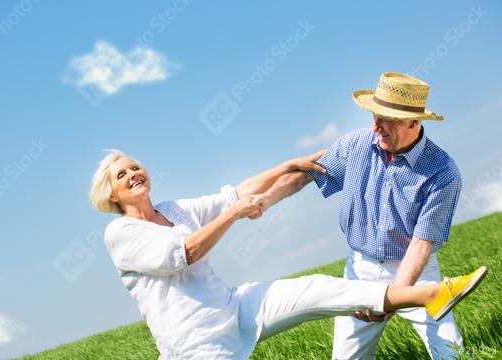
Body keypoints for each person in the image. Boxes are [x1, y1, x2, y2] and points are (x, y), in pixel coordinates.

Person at [89, 148, 486, 359]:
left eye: (135, 166)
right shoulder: (121, 233)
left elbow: (238, 193)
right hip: (198, 345)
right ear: (110, 194)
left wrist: (289, 165)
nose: (132, 174)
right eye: (121, 175)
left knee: (316, 289)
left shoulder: (173, 210)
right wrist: (232, 215)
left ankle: (432, 294)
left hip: (234, 307)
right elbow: (185, 252)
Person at [255, 72, 469, 359]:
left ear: (413, 122)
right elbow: (307, 173)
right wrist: (266, 199)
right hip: (359, 270)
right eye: (374, 116)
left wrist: (391, 299)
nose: (376, 126)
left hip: (416, 273)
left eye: (387, 119)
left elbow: (420, 246)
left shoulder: (442, 172)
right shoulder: (355, 146)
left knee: (451, 353)